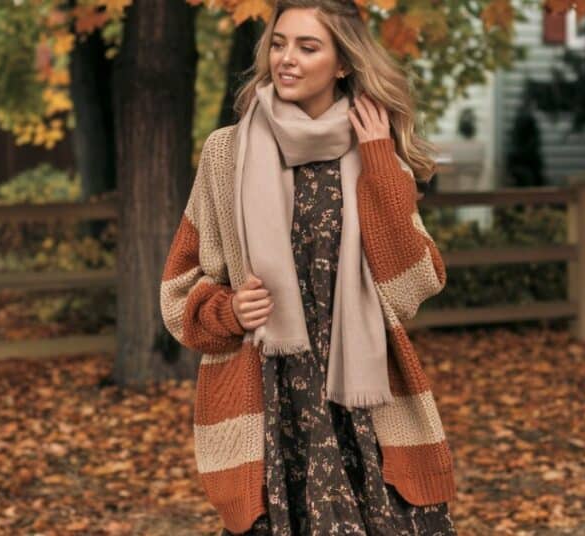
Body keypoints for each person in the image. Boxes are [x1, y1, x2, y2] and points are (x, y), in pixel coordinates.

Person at [159, 0, 456, 534]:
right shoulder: (227, 155)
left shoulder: (376, 150)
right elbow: (177, 295)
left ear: (343, 63)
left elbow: (414, 286)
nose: (286, 59)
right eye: (278, 43)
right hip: (270, 400)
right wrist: (227, 310)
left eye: (307, 46)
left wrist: (382, 164)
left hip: (363, 402)